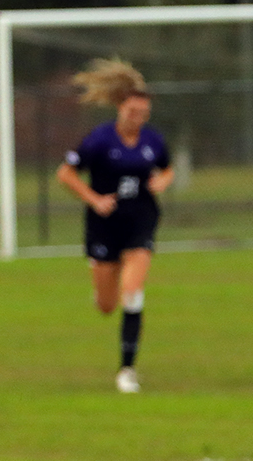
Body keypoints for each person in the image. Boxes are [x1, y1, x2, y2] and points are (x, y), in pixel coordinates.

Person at [56, 58, 174, 394]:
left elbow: (166, 168)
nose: (138, 118)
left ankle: (126, 370)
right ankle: (103, 286)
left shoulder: (153, 141)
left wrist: (163, 182)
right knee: (107, 305)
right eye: (132, 111)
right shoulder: (99, 140)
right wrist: (94, 199)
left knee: (133, 292)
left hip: (141, 220)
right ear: (120, 108)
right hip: (104, 225)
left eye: (143, 113)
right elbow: (65, 174)